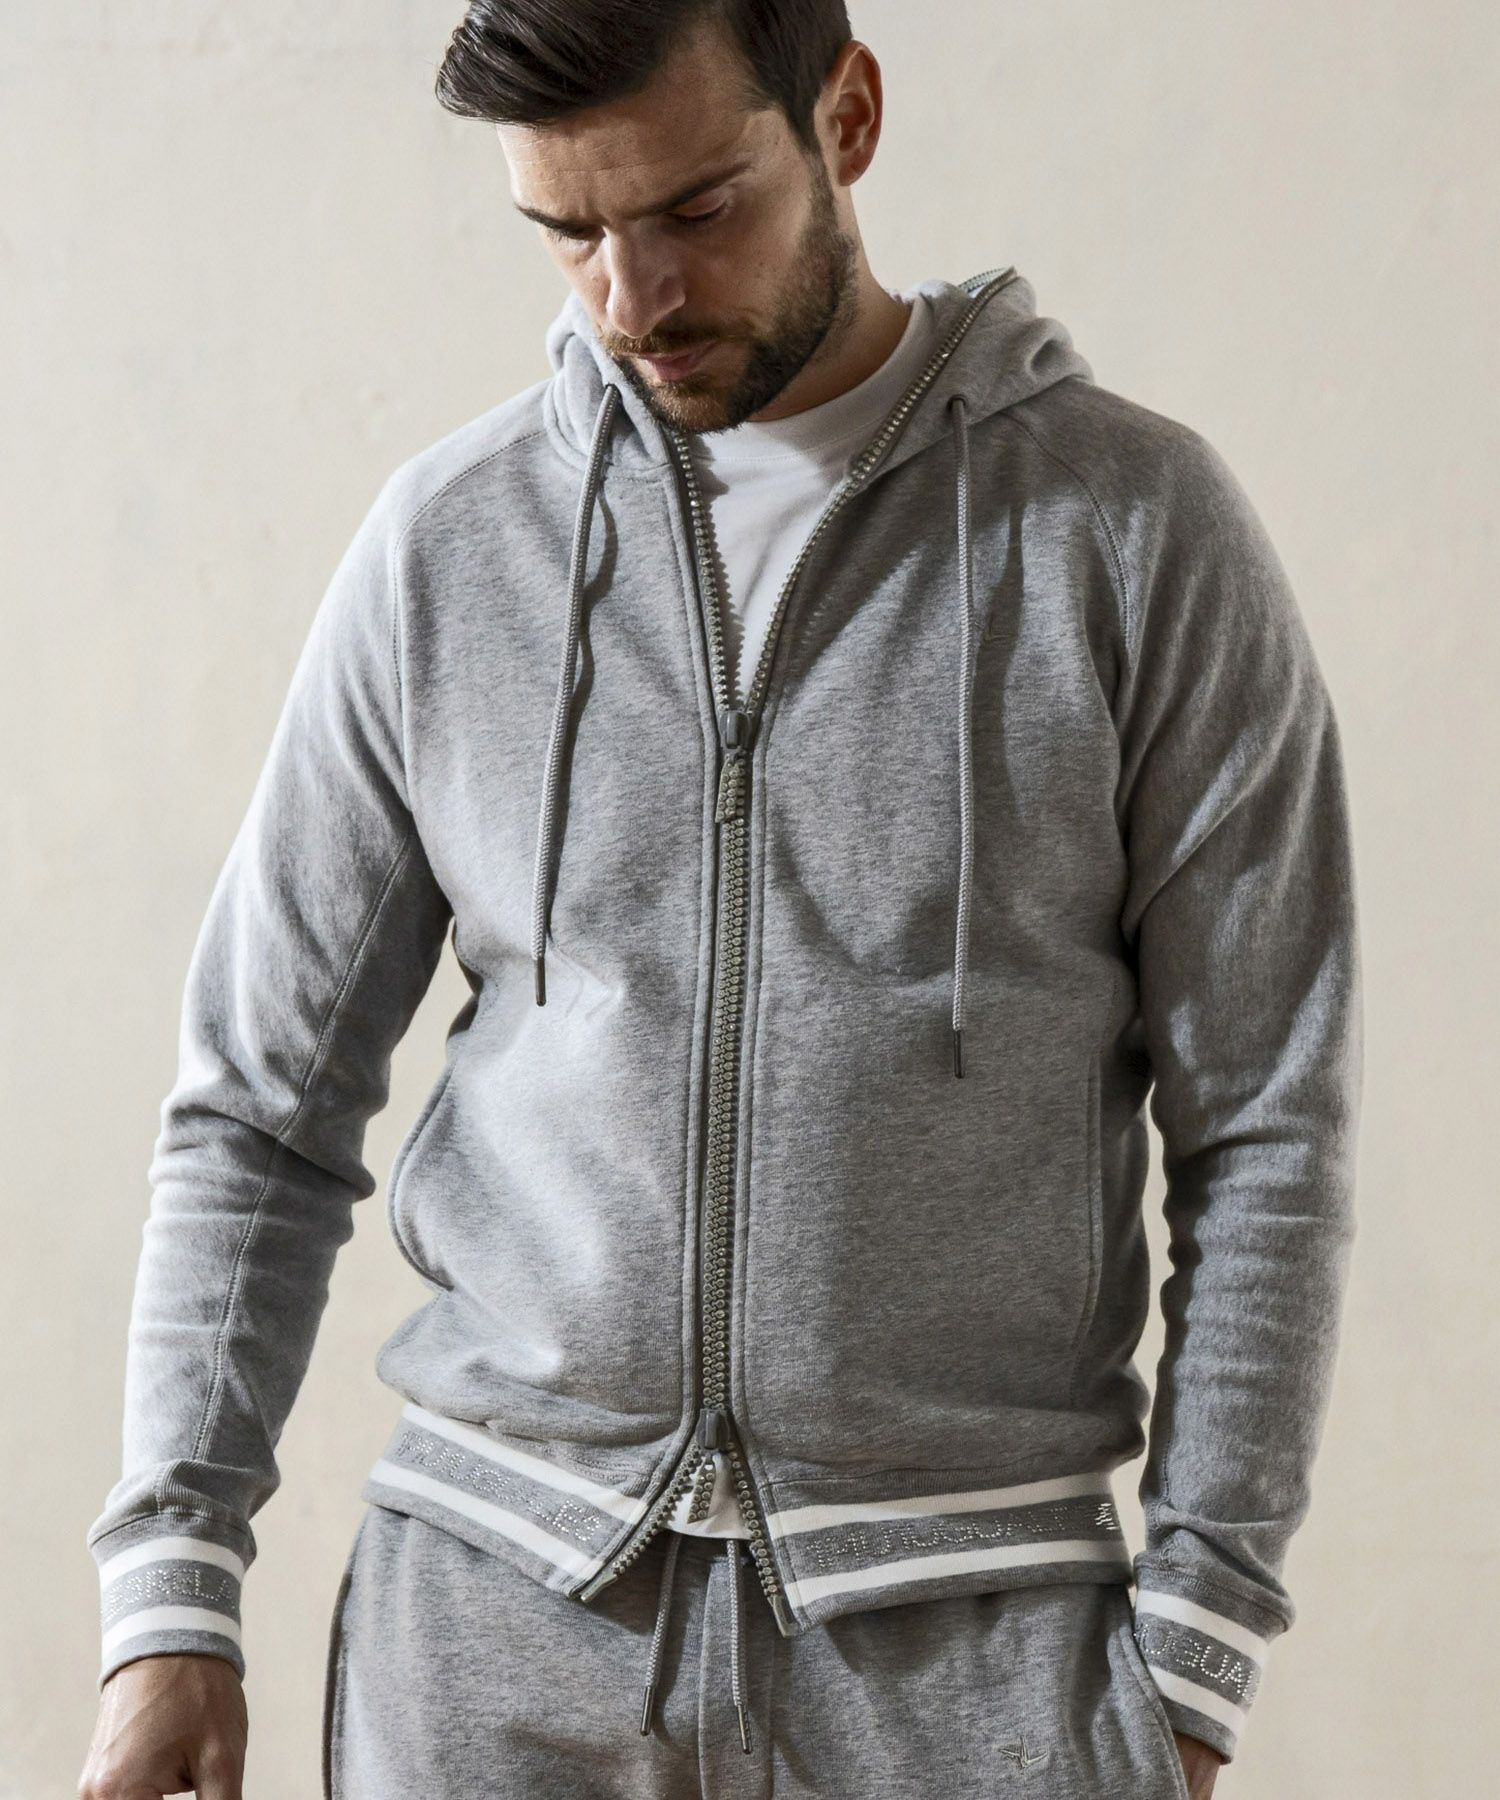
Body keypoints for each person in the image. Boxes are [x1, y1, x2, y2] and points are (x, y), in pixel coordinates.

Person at [78, 4, 1363, 1797]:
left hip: (970, 1649)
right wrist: (170, 1589)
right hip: (496, 1631)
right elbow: (259, 1109)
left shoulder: (1129, 532)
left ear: (847, 115)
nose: (635, 297)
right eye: (569, 231)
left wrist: (1199, 1647)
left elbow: (1269, 1128)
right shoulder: (451, 548)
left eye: (696, 209)